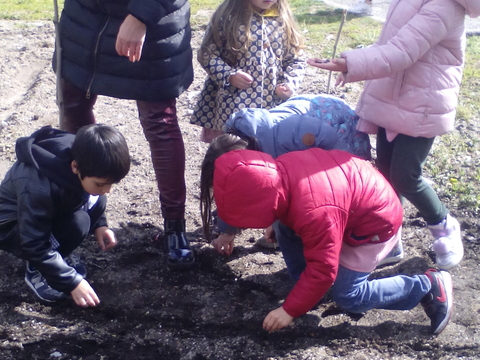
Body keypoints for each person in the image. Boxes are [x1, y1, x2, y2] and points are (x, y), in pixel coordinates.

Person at [202, 148, 453, 335]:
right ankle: (307, 289)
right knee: (284, 226)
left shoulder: (315, 212)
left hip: (374, 225)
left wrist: (289, 310)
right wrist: (275, 219)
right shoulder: (281, 168)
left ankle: (427, 286)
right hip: (349, 203)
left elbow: (324, 270)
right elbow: (293, 206)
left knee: (349, 296)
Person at [308, 0, 480, 270]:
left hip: (423, 102)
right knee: (386, 175)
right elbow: (390, 43)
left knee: (406, 175)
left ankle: (444, 225)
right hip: (394, 97)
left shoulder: (445, 6)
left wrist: (350, 64)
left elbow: (400, 52)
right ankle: (389, 238)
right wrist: (349, 61)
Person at [55, 0, 195, 268]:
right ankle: (78, 207)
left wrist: (143, 15)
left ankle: (175, 225)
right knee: (73, 105)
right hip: (85, 18)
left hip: (153, 21)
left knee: (160, 121)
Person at [0, 125, 130, 306]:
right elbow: (33, 243)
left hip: (44, 213)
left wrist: (100, 224)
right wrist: (71, 282)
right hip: (13, 227)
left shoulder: (83, 158)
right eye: (100, 184)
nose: (107, 190)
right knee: (78, 223)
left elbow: (94, 197)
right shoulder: (38, 188)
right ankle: (37, 269)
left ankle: (56, 257)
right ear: (75, 167)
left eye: (111, 184)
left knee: (94, 202)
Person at [190, 0, 306, 143]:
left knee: (268, 149)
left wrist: (290, 84)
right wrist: (229, 75)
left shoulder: (283, 19)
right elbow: (207, 54)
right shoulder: (227, 17)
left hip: (272, 106)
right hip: (233, 104)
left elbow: (296, 59)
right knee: (233, 149)